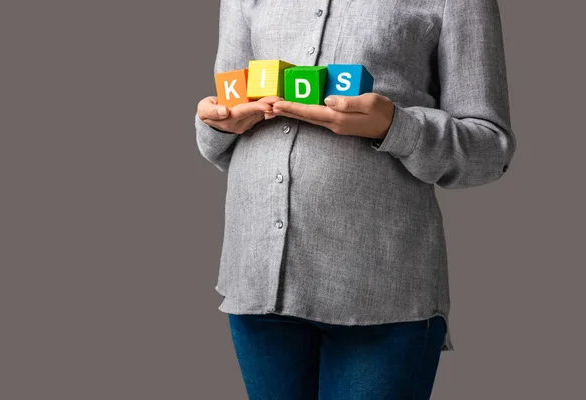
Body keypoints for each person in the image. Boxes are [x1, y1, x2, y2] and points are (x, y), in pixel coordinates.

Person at [195, 0, 516, 398]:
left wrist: (399, 127)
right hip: (257, 279)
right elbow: (221, 123)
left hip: (380, 293)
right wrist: (216, 124)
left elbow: (491, 150)